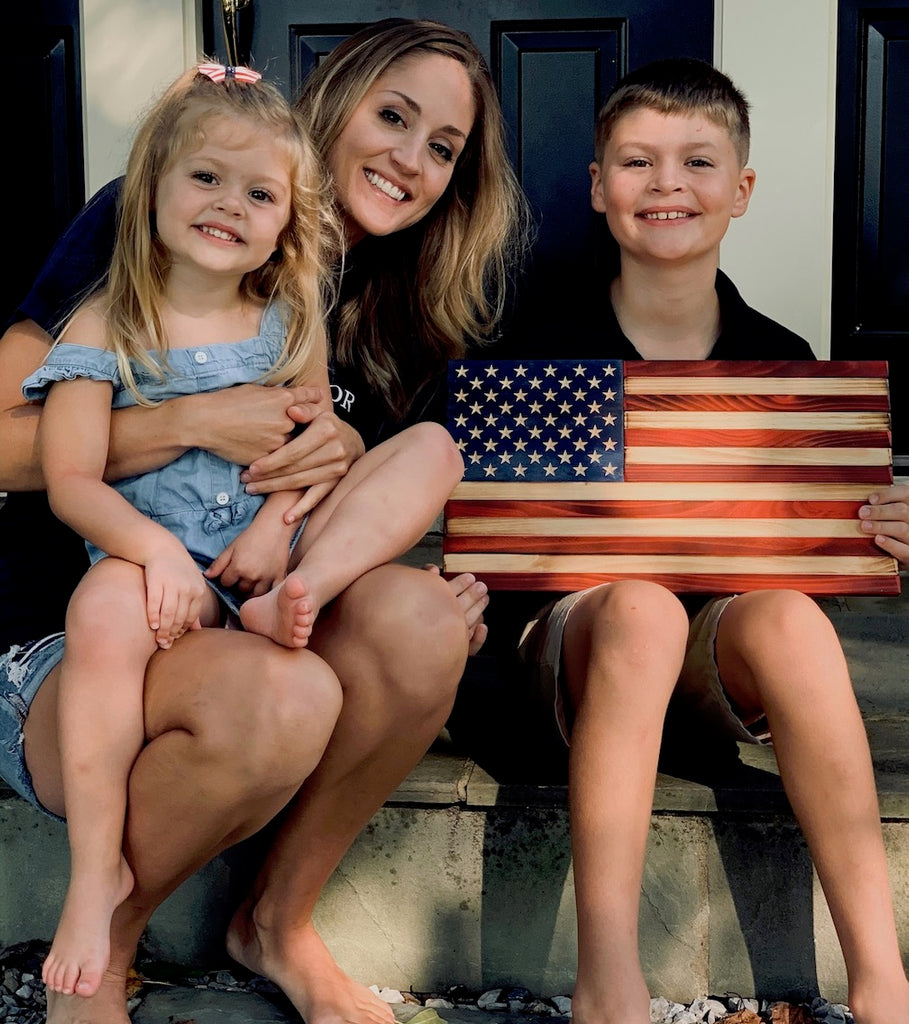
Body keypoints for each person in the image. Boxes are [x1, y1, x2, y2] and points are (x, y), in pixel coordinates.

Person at [0, 19, 519, 1024]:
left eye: (443, 147)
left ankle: (275, 922)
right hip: (81, 623)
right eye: (393, 115)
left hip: (242, 595)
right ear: (337, 103)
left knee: (420, 626)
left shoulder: (399, 308)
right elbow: (9, 438)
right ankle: (102, 947)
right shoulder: (172, 214)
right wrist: (189, 422)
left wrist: (371, 518)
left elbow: (353, 493)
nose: (411, 159)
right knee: (278, 702)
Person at [450, 58, 909, 1024]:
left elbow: (798, 565)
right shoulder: (537, 343)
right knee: (641, 606)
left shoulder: (781, 367)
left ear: (739, 191)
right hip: (568, 653)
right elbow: (489, 529)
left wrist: (875, 537)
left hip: (709, 663)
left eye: (697, 162)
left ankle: (881, 978)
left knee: (787, 621)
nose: (666, 185)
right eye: (636, 162)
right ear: (596, 187)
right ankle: (607, 979)